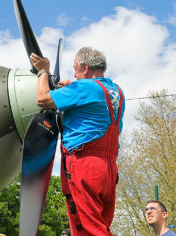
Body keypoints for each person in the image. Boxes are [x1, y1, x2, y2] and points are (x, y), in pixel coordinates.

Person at [30, 47, 125, 235]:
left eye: (75, 69)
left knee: (88, 229)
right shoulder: (117, 91)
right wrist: (70, 90)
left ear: (85, 66)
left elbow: (42, 99)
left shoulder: (84, 88)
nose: (73, 73)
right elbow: (91, 111)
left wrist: (43, 71)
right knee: (101, 226)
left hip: (84, 165)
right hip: (108, 169)